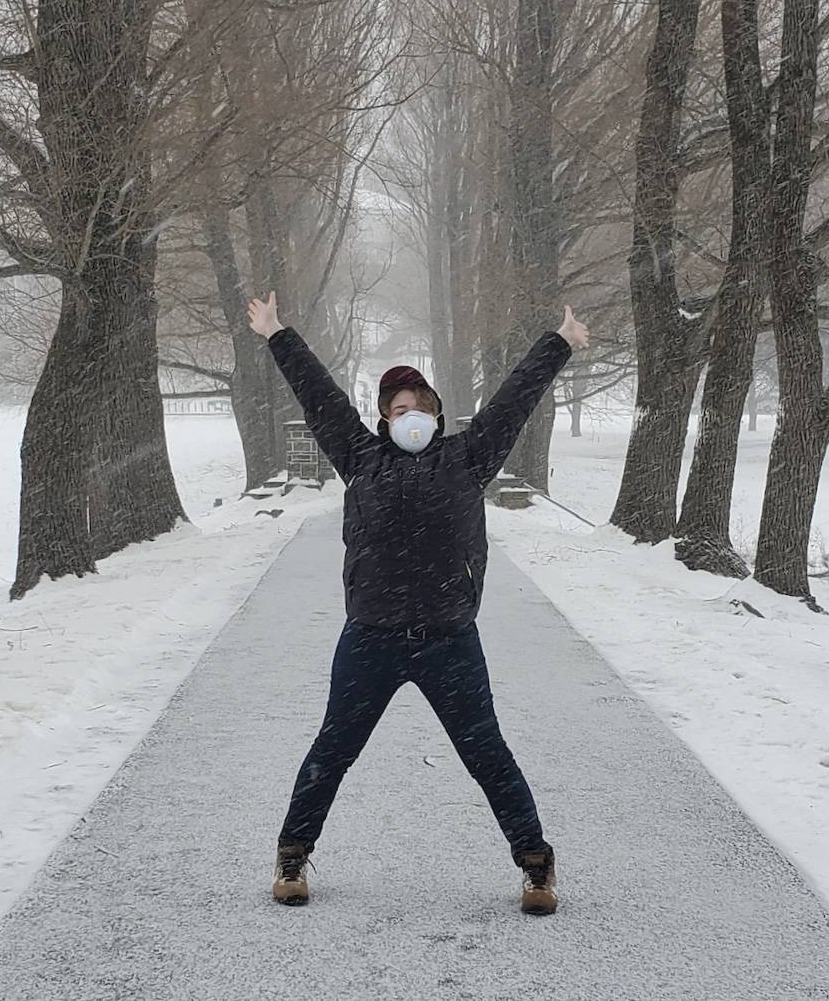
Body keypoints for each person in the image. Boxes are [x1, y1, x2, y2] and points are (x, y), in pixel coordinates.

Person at [247, 292, 589, 915]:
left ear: (436, 413)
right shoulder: (358, 457)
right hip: (371, 640)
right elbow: (318, 395)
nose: (410, 415)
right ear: (383, 418)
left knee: (487, 752)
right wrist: (277, 334)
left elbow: (514, 401)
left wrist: (558, 343)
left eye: (420, 406)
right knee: (333, 748)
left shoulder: (468, 457)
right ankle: (292, 856)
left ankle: (536, 864)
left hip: (448, 641)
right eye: (397, 408)